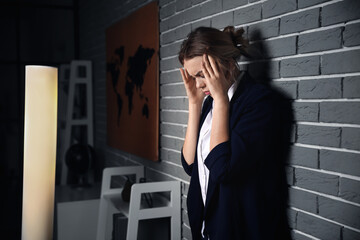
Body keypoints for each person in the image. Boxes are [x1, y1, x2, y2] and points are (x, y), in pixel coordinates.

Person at [178, 26, 292, 240]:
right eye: (193, 77)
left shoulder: (260, 103)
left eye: (201, 75)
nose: (199, 84)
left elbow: (223, 170)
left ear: (225, 62)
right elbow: (190, 164)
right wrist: (194, 104)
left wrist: (221, 101)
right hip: (206, 228)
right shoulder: (209, 103)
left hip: (239, 231)